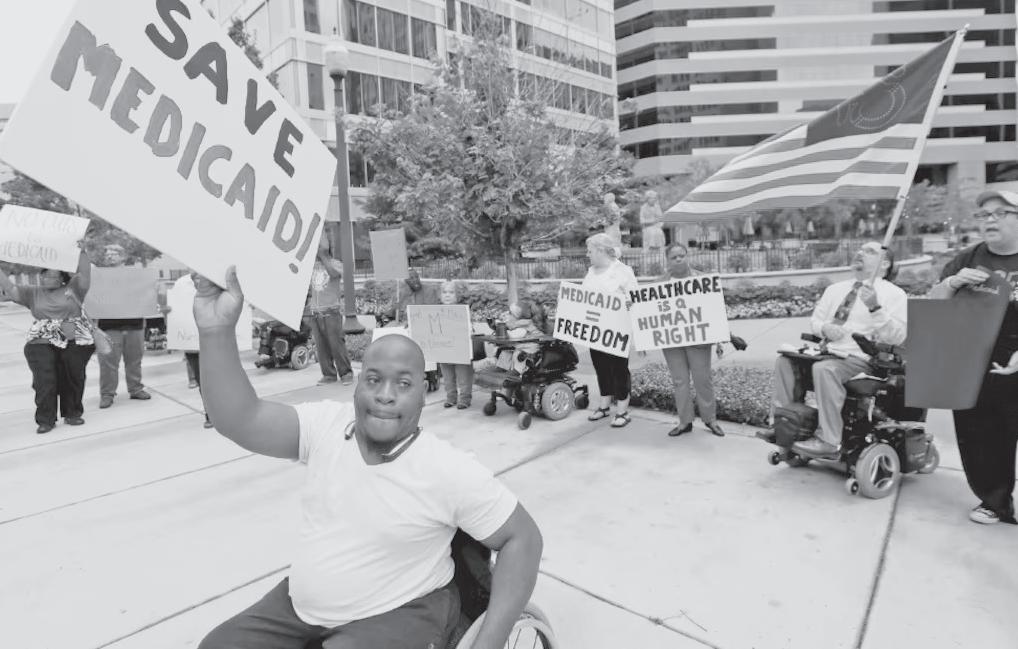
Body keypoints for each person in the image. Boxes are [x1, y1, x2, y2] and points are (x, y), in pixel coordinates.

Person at [192, 267, 543, 649]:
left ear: (423, 396)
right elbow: (241, 419)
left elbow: (523, 539)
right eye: (374, 379)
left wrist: (489, 642)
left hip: (399, 611)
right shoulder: (328, 426)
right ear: (357, 385)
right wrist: (215, 331)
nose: (385, 394)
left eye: (403, 383)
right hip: (300, 610)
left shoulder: (445, 468)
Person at [928, 189, 1018, 526]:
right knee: (981, 435)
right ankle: (994, 500)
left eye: (1001, 213)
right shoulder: (967, 258)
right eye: (984, 215)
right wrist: (952, 283)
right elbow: (934, 304)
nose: (990, 220)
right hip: (973, 362)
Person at [772, 242, 907, 456]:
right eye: (860, 249)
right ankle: (784, 426)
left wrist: (875, 307)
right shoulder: (835, 289)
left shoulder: (894, 294)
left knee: (825, 370)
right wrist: (824, 328)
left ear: (885, 264)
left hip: (861, 359)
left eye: (870, 252)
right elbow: (816, 322)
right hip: (827, 353)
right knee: (785, 362)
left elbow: (897, 337)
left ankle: (829, 440)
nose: (860, 253)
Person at [0, 249, 96, 434]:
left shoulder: (74, 288)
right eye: (44, 275)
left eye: (53, 276)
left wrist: (82, 252)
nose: (47, 279)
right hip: (41, 339)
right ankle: (46, 419)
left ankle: (72, 413)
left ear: (62, 279)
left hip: (72, 336)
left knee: (73, 376)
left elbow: (85, 273)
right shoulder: (32, 292)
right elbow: (10, 288)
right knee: (44, 380)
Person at [657, 244, 726, 438]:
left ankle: (710, 419)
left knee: (703, 379)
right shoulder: (658, 284)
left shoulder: (702, 280)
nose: (679, 259)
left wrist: (719, 338)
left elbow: (714, 310)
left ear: (687, 256)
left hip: (699, 339)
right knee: (680, 381)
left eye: (682, 255)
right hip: (672, 341)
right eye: (674, 257)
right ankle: (685, 421)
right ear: (667, 260)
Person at [583, 233, 639, 428]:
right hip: (596, 330)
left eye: (590, 251)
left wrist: (627, 303)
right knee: (601, 367)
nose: (587, 255)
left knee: (619, 369)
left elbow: (635, 298)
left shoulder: (622, 271)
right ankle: (604, 405)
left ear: (600, 251)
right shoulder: (590, 272)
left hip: (617, 331)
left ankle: (622, 410)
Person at [97, 244, 151, 409]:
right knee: (108, 363)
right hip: (109, 326)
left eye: (114, 253)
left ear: (123, 257)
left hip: (134, 324)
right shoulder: (98, 276)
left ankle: (135, 389)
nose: (109, 256)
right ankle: (107, 394)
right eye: (107, 253)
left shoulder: (136, 275)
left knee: (134, 361)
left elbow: (146, 294)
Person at [161, 272, 213, 428]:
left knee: (223, 379)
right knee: (203, 381)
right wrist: (167, 313)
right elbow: (174, 311)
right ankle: (211, 414)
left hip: (218, 340)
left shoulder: (218, 279)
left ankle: (230, 412)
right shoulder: (181, 283)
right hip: (192, 341)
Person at [307, 235, 354, 386]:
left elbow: (334, 275)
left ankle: (346, 373)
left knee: (336, 344)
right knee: (321, 347)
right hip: (315, 312)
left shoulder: (336, 264)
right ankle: (328, 374)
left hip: (331, 311)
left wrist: (323, 257)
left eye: (320, 246)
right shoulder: (310, 266)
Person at [438, 280, 475, 410]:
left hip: (460, 349)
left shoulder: (463, 311)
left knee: (463, 376)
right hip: (444, 348)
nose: (447, 295)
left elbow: (469, 327)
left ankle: (465, 398)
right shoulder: (435, 311)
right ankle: (451, 397)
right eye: (444, 292)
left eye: (451, 292)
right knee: (447, 377)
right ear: (440, 295)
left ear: (457, 295)